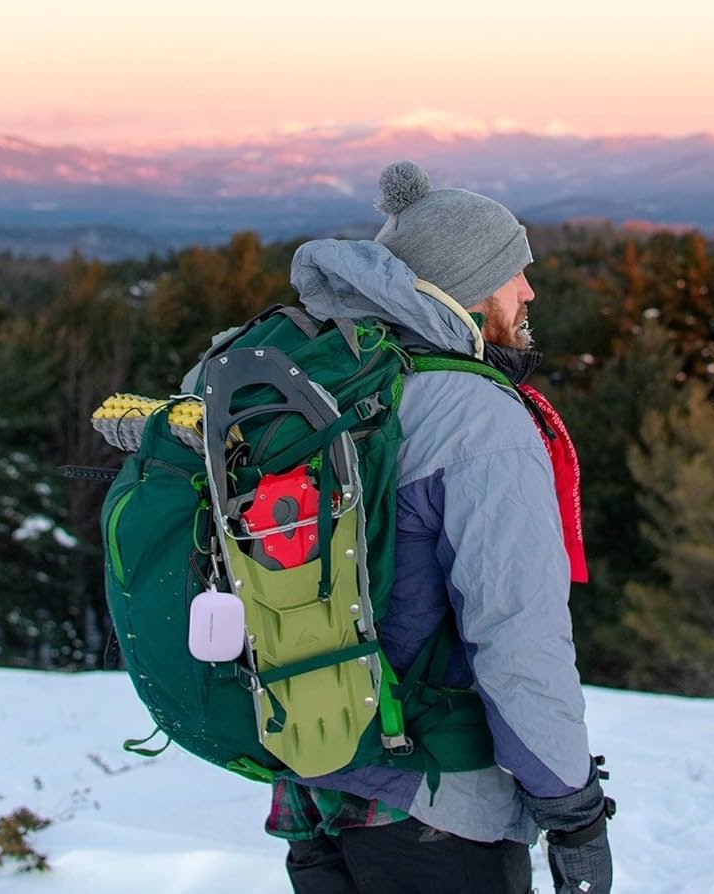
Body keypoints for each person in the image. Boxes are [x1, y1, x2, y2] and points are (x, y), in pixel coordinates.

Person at [266, 160, 614, 893]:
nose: (528, 291)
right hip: (436, 806)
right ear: (468, 288)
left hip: (315, 782)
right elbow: (516, 635)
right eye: (513, 273)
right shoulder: (475, 419)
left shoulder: (337, 387)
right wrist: (573, 809)